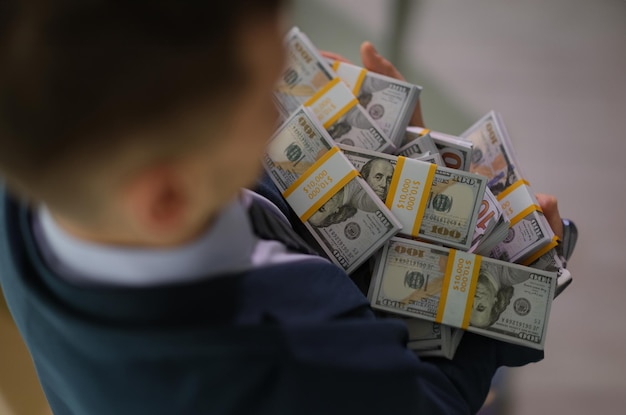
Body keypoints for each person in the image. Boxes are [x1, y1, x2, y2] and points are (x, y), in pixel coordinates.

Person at [0, 2, 567, 414]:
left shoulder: (32, 166)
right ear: (168, 197)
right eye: (262, 95)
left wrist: (393, 155)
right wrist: (513, 281)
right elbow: (424, 401)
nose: (293, 101)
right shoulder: (306, 373)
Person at [469, 261, 530, 328]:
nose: (475, 299)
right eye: (481, 307)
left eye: (470, 305)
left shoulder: (469, 269)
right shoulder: (514, 274)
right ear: (495, 302)